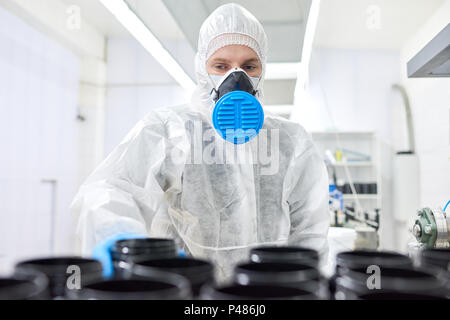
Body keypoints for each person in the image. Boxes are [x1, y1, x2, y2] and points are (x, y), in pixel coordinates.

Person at [70, 3, 330, 281]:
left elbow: (310, 234)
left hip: (270, 289)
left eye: (249, 66)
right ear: (202, 70)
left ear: (262, 70)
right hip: (187, 287)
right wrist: (117, 231)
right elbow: (112, 188)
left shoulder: (291, 142)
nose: (236, 78)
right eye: (221, 66)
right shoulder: (169, 130)